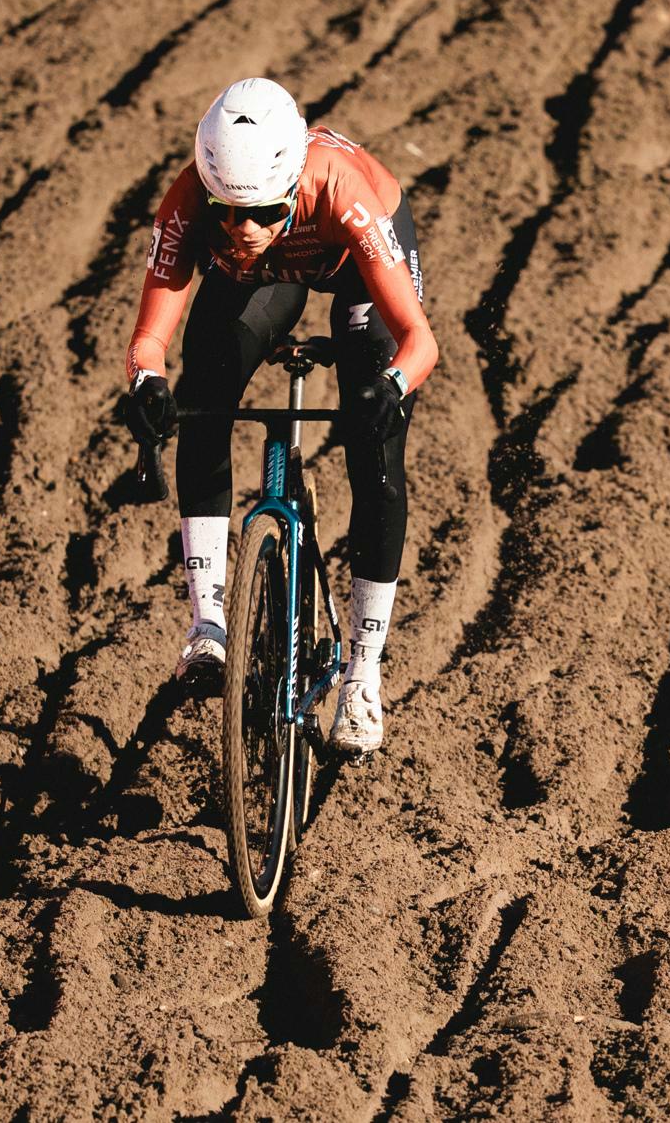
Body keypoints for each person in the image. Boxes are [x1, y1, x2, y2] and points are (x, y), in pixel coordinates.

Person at [124, 77, 438, 754]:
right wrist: (146, 382)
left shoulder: (338, 190)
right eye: (225, 213)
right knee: (201, 389)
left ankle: (361, 674)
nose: (242, 231)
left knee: (374, 453)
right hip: (267, 280)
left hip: (353, 263)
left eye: (262, 212)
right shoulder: (188, 204)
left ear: (290, 190)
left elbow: (419, 340)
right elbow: (149, 338)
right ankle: (207, 627)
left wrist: (388, 385)